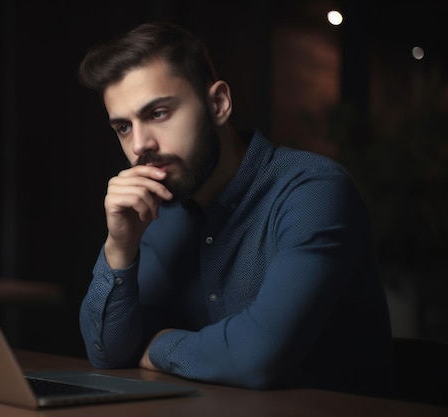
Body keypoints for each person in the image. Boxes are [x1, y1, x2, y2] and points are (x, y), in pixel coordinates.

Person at [77, 21, 394, 397]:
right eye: (123, 127)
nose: (140, 145)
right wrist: (119, 247)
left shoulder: (313, 192)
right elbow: (108, 354)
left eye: (158, 113)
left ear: (218, 104)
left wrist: (159, 346)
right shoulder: (161, 209)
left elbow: (257, 358)